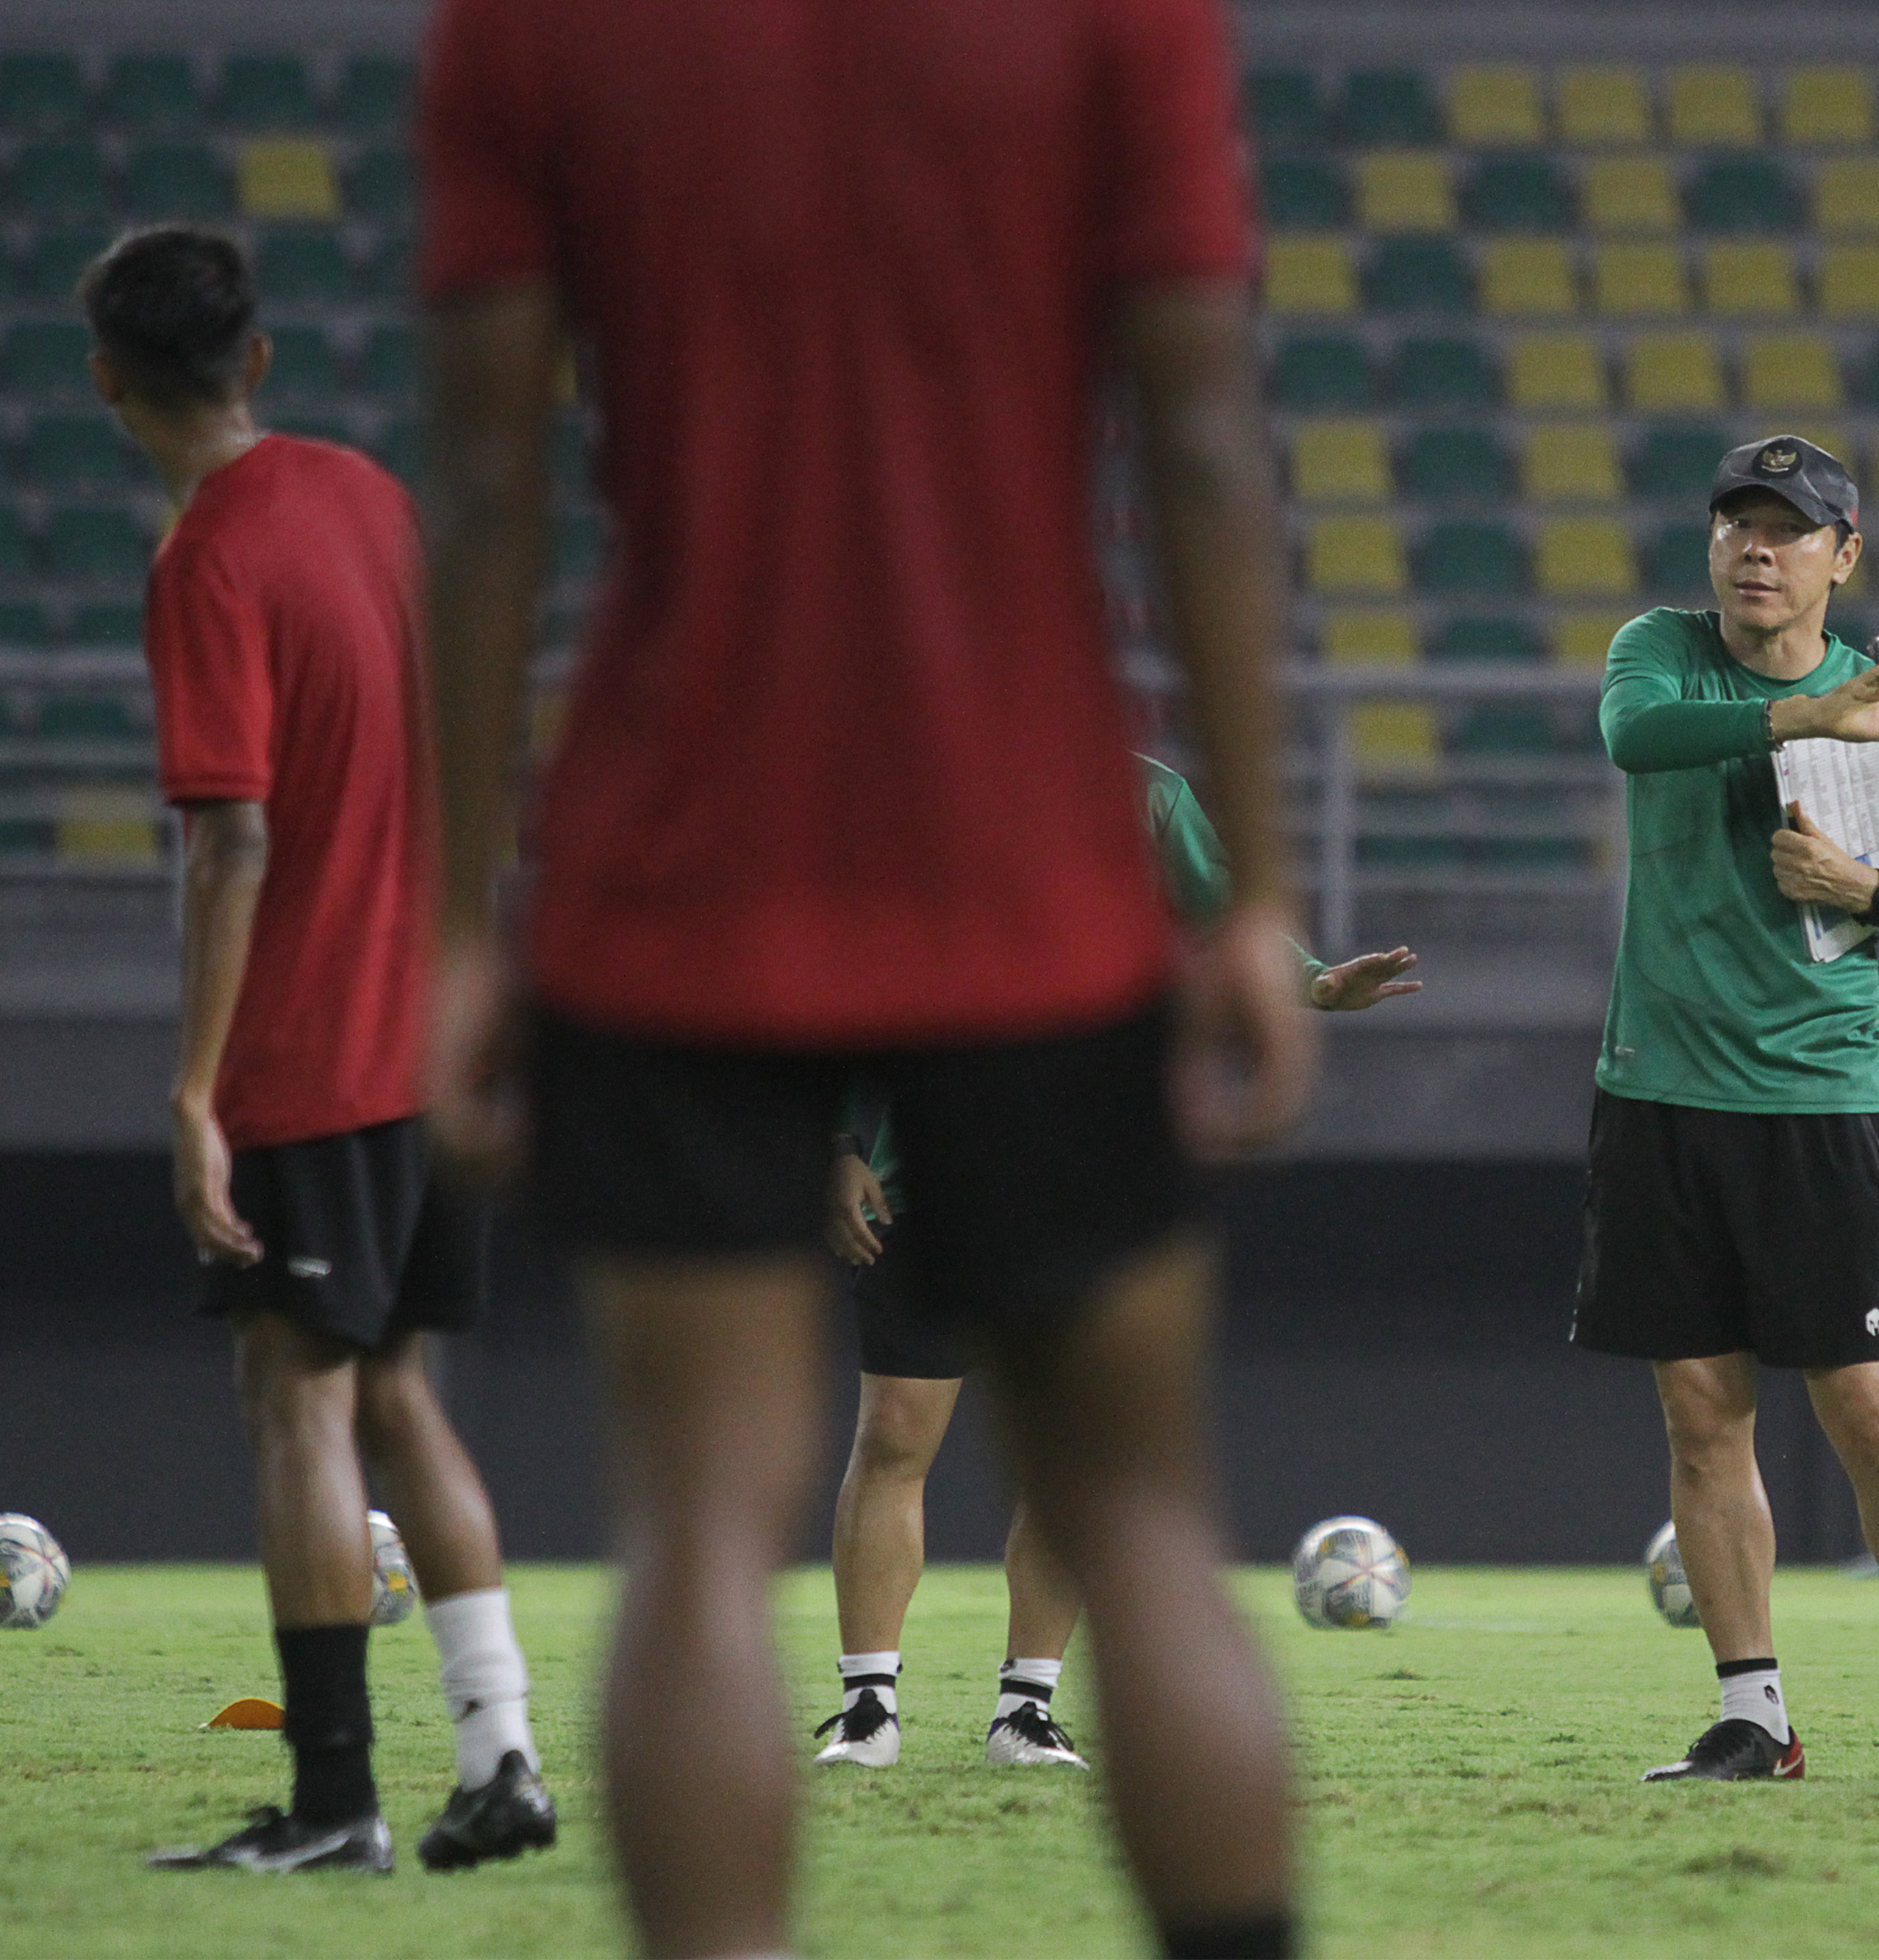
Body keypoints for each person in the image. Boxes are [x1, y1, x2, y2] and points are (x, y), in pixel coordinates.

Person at [417, 1, 1314, 1954]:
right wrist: (1250, 888)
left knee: (691, 1535)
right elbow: (1206, 439)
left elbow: (486, 486)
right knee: (1146, 1516)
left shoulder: (533, 28)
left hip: (671, 876)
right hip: (1034, 871)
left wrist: (463, 919)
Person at [90, 226, 554, 1878]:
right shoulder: (366, 497)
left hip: (315, 1040)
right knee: (402, 1389)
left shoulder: (206, 562)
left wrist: (197, 1092)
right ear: (258, 361)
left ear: (107, 379)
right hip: (425, 1022)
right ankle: (498, 1753)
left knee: (295, 1397)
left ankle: (337, 1799)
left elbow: (233, 848)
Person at [815, 756, 1420, 1773]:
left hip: (1082, 1163)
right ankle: (869, 1706)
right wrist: (833, 1140)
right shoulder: (895, 780)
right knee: (895, 1432)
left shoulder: (1139, 788)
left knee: (1070, 1446)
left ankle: (1027, 1710)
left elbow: (1228, 923)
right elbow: (843, 975)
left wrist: (1312, 982)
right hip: (921, 1158)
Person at [1574, 433, 1879, 1786]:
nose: (1755, 550)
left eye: (1789, 530)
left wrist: (1869, 892)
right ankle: (1754, 1716)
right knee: (1702, 1416)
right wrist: (1793, 722)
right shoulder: (1659, 649)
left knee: (1871, 1417)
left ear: (1845, 555)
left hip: (1816, 1099)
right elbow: (1633, 737)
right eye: (1736, 526)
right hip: (1658, 1090)